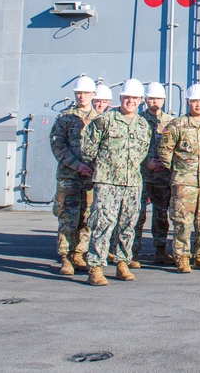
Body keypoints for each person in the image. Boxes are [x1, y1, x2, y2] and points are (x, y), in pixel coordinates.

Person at [81, 79, 152, 285]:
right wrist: (104, 166)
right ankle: (95, 267)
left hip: (132, 183)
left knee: (128, 224)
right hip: (107, 182)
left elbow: (143, 152)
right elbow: (88, 150)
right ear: (121, 98)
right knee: (103, 223)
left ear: (141, 101)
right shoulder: (105, 120)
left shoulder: (142, 125)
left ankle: (122, 262)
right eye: (127, 97)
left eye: (135, 98)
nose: (130, 101)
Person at [157, 84, 200, 273]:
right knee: (182, 221)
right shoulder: (177, 125)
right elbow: (164, 150)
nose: (198, 105)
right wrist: (178, 169)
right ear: (188, 102)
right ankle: (182, 257)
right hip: (184, 183)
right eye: (194, 101)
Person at [49, 75, 98, 276]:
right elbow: (57, 146)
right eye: (78, 93)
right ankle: (66, 257)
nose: (81, 96)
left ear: (93, 95)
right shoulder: (64, 118)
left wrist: (94, 169)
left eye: (85, 93)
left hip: (91, 177)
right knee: (68, 217)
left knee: (87, 217)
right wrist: (77, 165)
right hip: (70, 176)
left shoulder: (99, 119)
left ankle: (79, 253)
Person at [134, 82, 174, 266]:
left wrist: (165, 164)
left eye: (158, 98)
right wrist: (146, 162)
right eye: (151, 98)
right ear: (146, 100)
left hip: (162, 177)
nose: (155, 102)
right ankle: (132, 252)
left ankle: (160, 251)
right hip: (141, 175)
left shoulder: (171, 122)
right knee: (136, 215)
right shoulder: (137, 120)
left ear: (163, 100)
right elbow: (131, 149)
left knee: (160, 214)